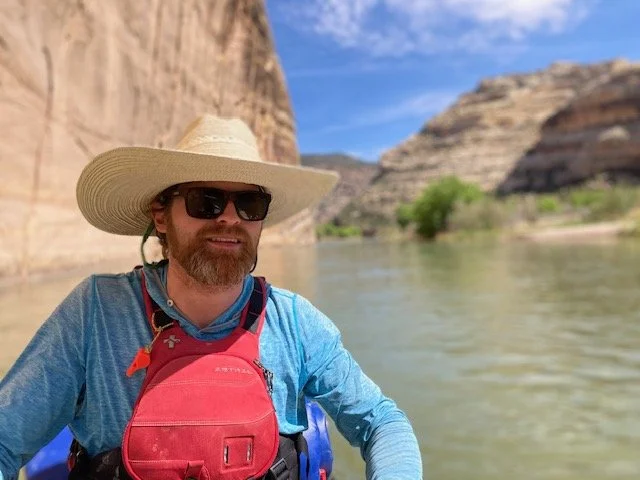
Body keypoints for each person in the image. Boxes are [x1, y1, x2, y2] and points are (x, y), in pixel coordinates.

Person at [0, 115, 423, 479]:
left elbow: (381, 423)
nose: (229, 217)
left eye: (249, 203)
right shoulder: (96, 311)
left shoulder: (295, 321)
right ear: (161, 216)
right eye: (206, 200)